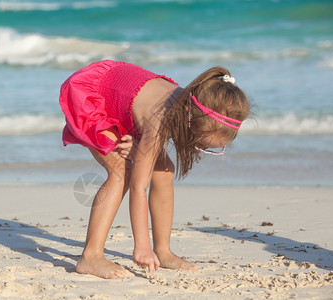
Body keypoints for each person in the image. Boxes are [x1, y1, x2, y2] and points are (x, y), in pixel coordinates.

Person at [59, 60, 250, 279]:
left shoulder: (189, 103)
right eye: (200, 144)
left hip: (123, 97)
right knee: (122, 172)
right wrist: (141, 246)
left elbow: (144, 126)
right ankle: (90, 256)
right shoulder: (159, 119)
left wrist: (140, 143)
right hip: (91, 95)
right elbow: (139, 188)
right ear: (191, 120)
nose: (199, 150)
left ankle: (164, 251)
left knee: (165, 169)